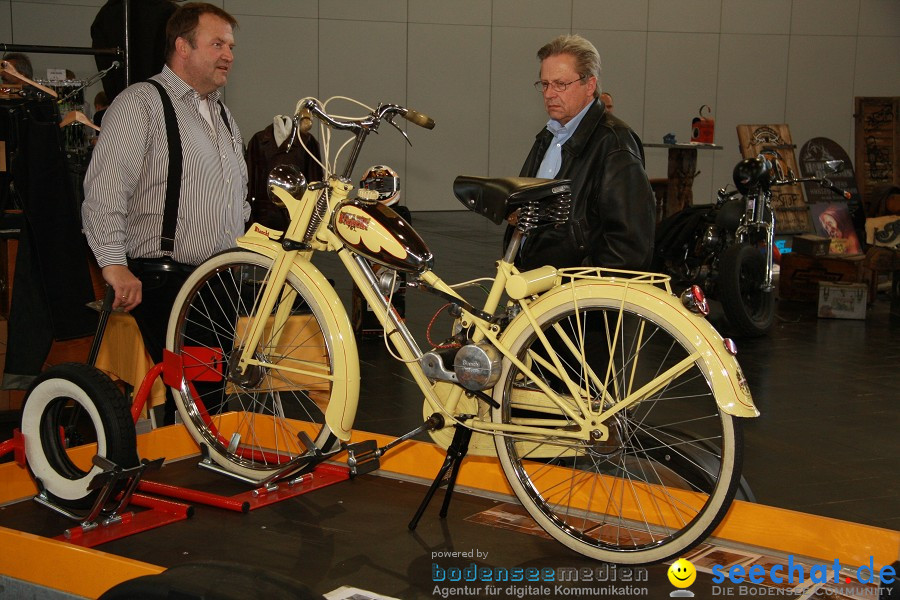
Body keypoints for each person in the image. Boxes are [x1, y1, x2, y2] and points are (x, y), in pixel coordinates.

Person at [82, 2, 249, 424]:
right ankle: (180, 468)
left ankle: (200, 468)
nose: (229, 54)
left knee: (207, 397)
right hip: (165, 279)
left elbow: (236, 197)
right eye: (217, 44)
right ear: (182, 46)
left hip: (217, 281)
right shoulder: (141, 103)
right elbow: (105, 190)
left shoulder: (224, 116)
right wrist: (113, 264)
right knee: (189, 395)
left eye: (230, 45)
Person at [513, 34, 654, 272]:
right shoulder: (549, 135)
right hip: (537, 287)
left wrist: (577, 287)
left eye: (560, 84)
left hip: (576, 300)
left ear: (589, 85)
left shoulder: (615, 143)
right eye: (545, 84)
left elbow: (629, 246)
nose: (549, 94)